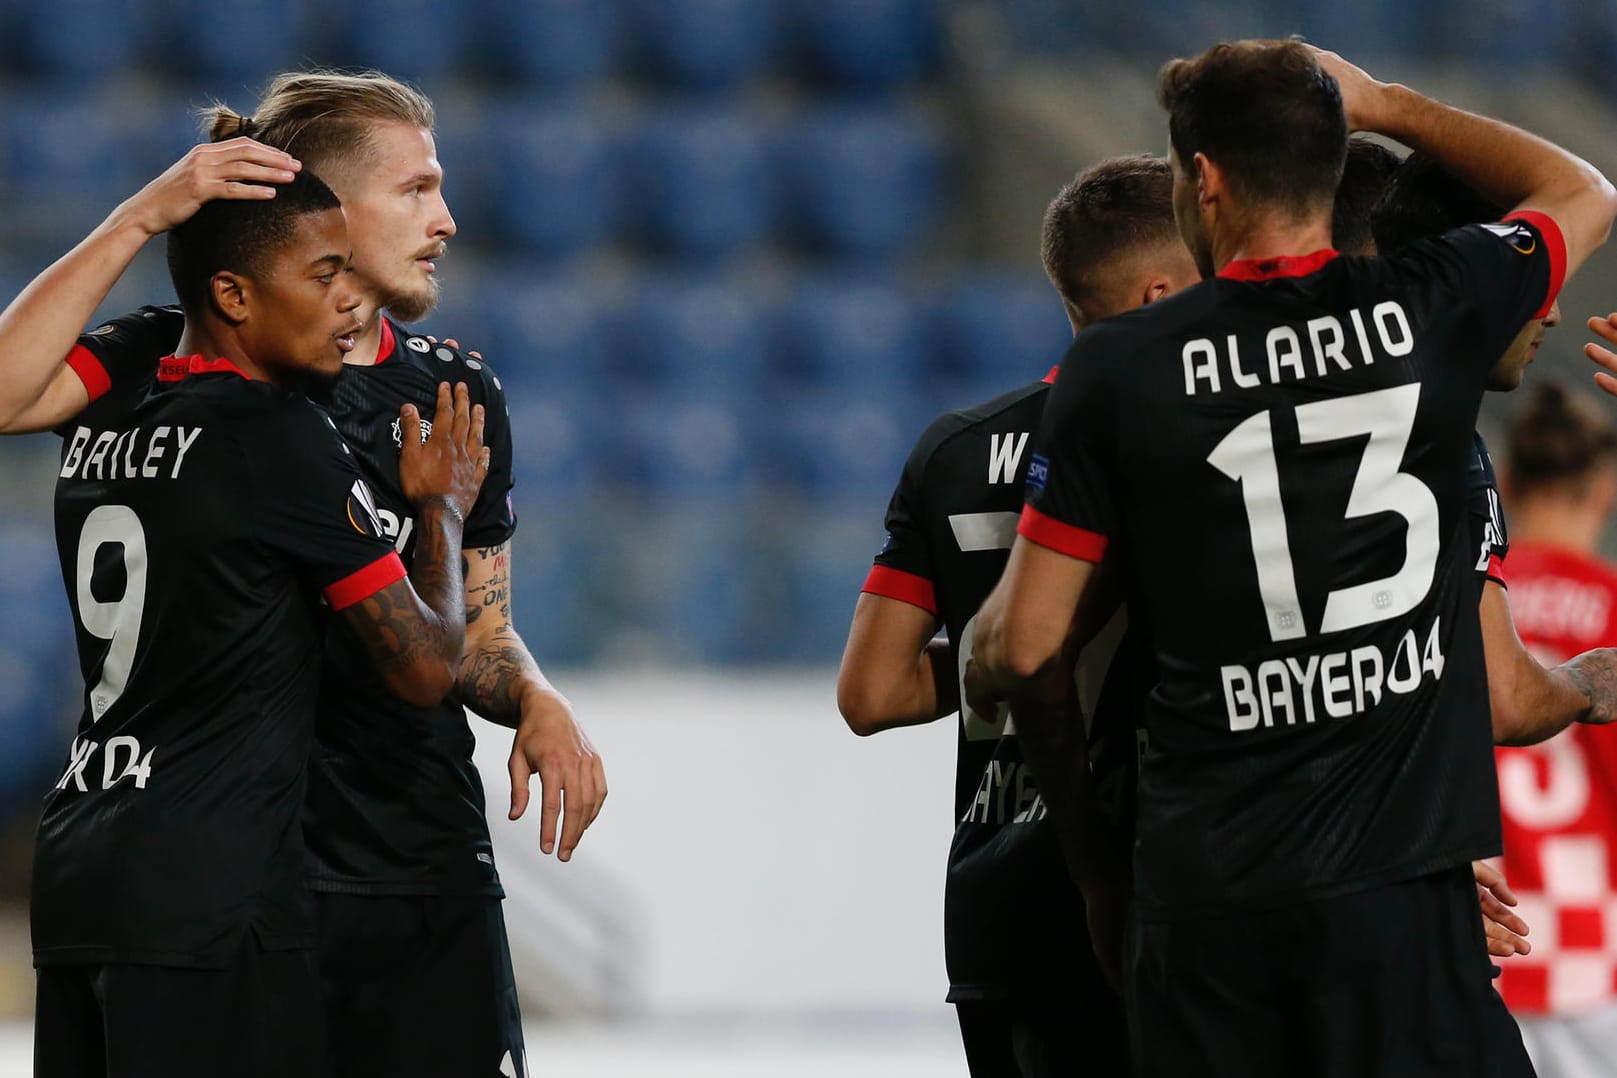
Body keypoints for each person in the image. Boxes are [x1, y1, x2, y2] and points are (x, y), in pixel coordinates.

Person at [966, 39, 1617, 1077]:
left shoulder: (1124, 365)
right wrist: (1386, 100)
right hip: (1399, 899)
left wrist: (1093, 862)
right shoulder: (1432, 311)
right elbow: (1581, 188)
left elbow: (1030, 645)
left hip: (1205, 905)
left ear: (1205, 178)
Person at [0, 73, 604, 1077]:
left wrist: (535, 694)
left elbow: (481, 637)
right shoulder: (174, 356)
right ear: (322, 202)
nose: (445, 220)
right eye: (413, 191)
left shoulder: (455, 390)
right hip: (249, 883)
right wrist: (146, 212)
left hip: (410, 867)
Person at [27, 165, 490, 1077]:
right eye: (323, 277)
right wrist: (439, 510)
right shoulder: (278, 436)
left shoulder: (116, 416)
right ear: (233, 294)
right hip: (212, 891)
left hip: (81, 865)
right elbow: (426, 668)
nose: (346, 305)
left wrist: (131, 214)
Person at [837, 155, 1198, 1077]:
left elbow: (870, 692)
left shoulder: (953, 449)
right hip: (1151, 884)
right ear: (1161, 291)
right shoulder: (1191, 437)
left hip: (996, 901)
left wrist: (1002, 641)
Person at [1489, 384, 1617, 1077]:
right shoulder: (1614, 613)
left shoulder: (1465, 616)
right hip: (1595, 970)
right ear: (1604, 491)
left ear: (1505, 482)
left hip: (1475, 959)